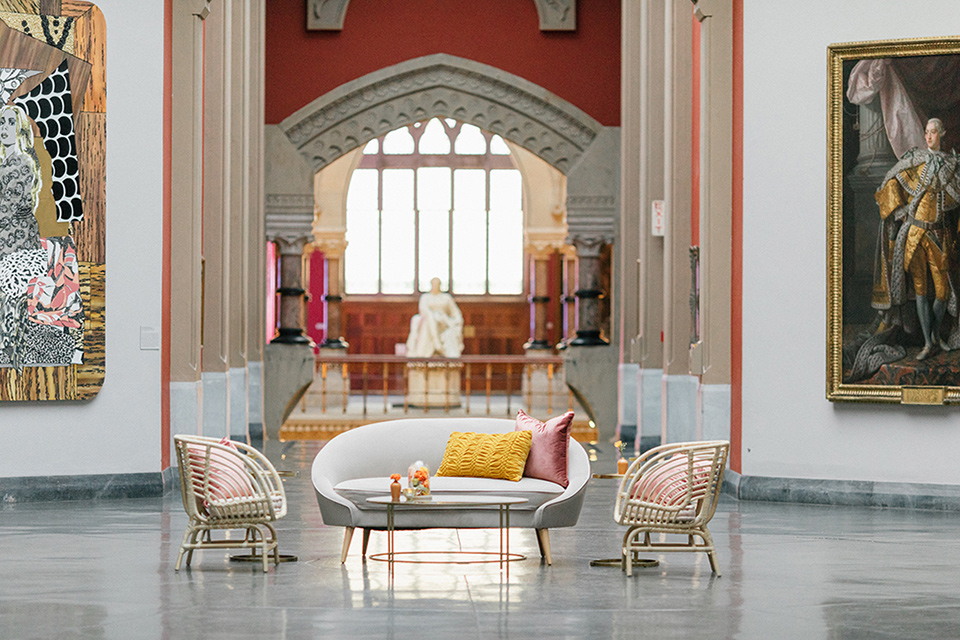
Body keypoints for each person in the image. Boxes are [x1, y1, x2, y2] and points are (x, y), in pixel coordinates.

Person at [872, 117, 960, 361]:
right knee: (920, 290)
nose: (929, 136)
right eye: (927, 132)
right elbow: (890, 182)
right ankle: (928, 341)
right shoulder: (915, 161)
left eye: (934, 132)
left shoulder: (952, 165)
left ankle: (934, 332)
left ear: (942, 134)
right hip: (913, 237)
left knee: (942, 293)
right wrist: (899, 213)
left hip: (938, 236)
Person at [0, 104, 41, 260]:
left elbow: (8, 208)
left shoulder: (21, 163)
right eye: (2, 122)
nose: (5, 127)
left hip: (15, 236)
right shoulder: (6, 162)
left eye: (11, 123)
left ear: (20, 129)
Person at [405, 277, 464, 358]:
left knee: (434, 318)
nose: (436, 286)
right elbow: (423, 311)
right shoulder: (425, 297)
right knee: (429, 316)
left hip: (443, 323)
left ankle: (438, 343)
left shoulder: (446, 298)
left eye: (437, 284)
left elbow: (456, 313)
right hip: (428, 322)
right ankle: (436, 342)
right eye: (434, 284)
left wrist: (455, 321)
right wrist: (434, 315)